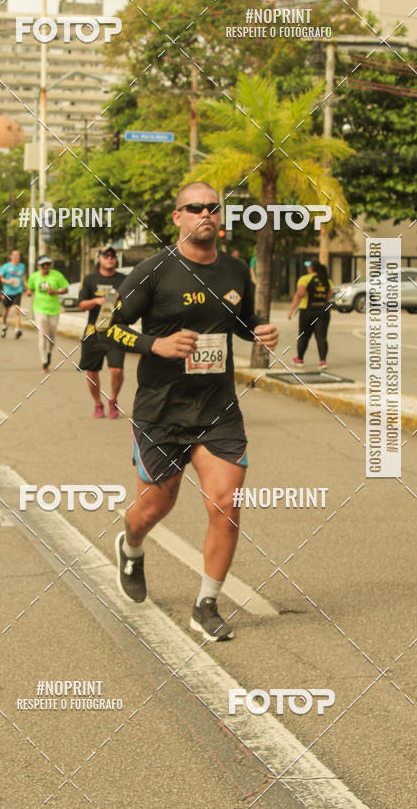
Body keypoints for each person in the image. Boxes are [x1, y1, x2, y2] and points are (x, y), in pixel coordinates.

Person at [105, 181, 279, 642]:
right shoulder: (152, 271)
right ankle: (131, 545)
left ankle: (206, 604)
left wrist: (258, 331)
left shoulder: (236, 270)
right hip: (160, 411)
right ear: (178, 217)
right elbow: (104, 327)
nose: (206, 214)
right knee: (154, 507)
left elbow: (241, 322)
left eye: (213, 207)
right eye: (195, 207)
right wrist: (155, 344)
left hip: (217, 410)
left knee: (226, 504)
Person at [78, 246, 127, 419]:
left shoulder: (124, 280)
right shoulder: (90, 279)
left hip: (115, 330)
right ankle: (98, 403)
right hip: (93, 331)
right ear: (99, 258)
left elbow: (132, 302)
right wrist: (97, 301)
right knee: (92, 372)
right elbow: (81, 305)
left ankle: (113, 400)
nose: (110, 258)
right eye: (106, 255)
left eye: (113, 256)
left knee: (117, 370)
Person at [288, 260, 334, 369]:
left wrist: (291, 310)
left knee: (303, 335)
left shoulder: (304, 279)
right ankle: (323, 361)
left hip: (307, 311)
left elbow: (300, 294)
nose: (307, 268)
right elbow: (330, 295)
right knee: (321, 336)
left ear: (311, 268)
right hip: (323, 311)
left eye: (308, 266)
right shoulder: (327, 280)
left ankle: (300, 359)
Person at [26, 256, 69, 372]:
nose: (46, 267)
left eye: (48, 264)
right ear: (38, 266)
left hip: (54, 309)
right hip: (39, 309)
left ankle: (49, 352)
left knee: (52, 335)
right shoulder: (34, 276)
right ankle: (44, 361)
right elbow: (30, 288)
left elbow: (65, 289)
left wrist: (56, 292)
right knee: (43, 334)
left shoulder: (57, 275)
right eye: (43, 265)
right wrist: (28, 292)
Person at [0, 249, 27, 339]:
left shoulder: (22, 266)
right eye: (15, 255)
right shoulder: (6, 266)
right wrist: (7, 281)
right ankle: (4, 325)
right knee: (5, 311)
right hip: (7, 292)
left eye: (18, 255)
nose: (18, 257)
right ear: (11, 257)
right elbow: (0, 278)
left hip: (17, 291)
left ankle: (17, 330)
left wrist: (26, 286)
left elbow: (23, 277)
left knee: (17, 311)